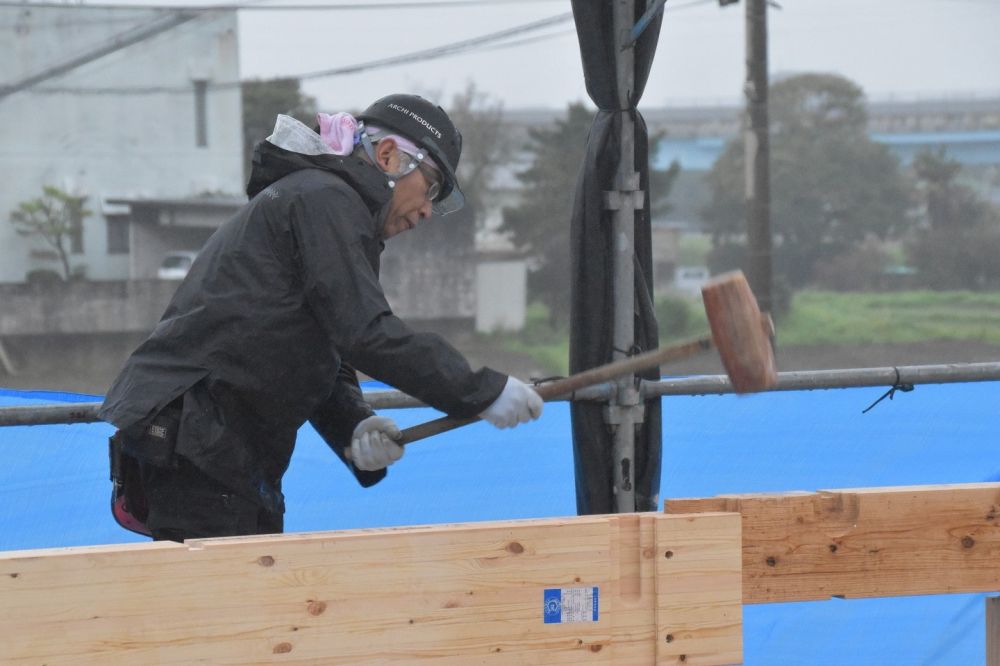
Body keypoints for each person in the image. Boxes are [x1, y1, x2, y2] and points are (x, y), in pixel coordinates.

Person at [100, 94, 543, 542]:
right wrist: (479, 391)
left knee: (248, 601)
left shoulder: (319, 199)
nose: (428, 211)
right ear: (389, 156)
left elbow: (320, 344)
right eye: (431, 189)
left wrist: (354, 426)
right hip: (202, 442)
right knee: (231, 606)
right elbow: (365, 332)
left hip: (214, 449)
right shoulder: (327, 201)